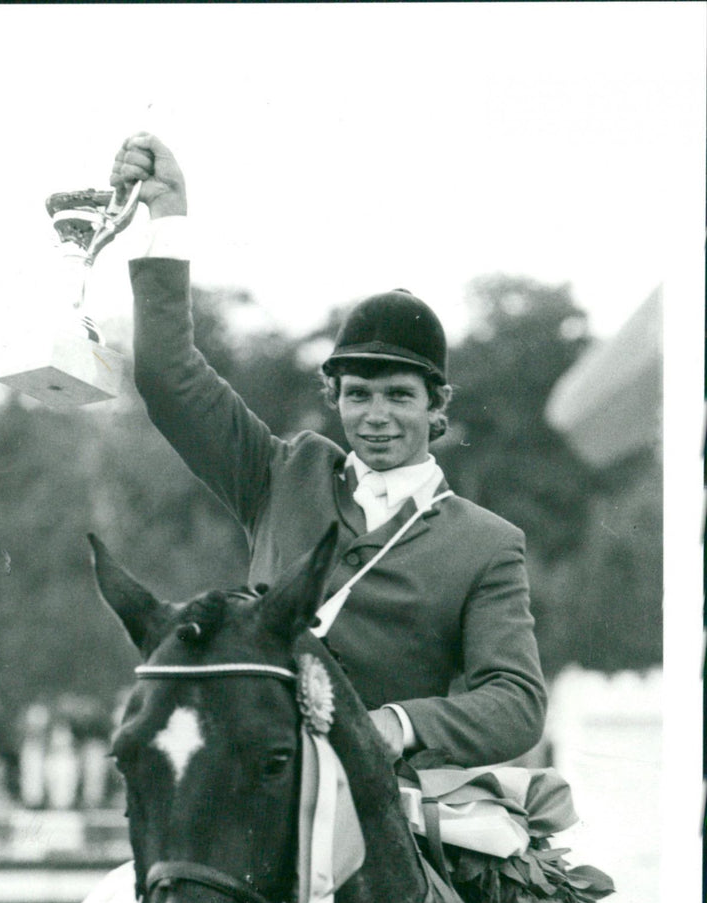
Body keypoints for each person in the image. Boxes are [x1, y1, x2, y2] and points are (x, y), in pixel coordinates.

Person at [109, 132, 546, 770]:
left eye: (400, 396)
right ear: (333, 396)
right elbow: (168, 378)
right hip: (246, 783)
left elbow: (517, 702)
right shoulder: (277, 474)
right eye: (357, 394)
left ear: (438, 405)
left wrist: (398, 725)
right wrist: (167, 219)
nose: (376, 417)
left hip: (382, 802)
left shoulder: (487, 545)